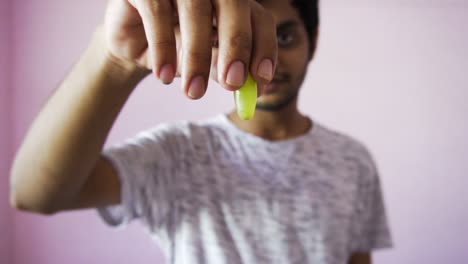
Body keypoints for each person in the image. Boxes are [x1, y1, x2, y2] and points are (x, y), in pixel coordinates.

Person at [9, 0, 392, 263]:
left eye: (285, 38)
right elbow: (33, 193)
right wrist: (111, 60)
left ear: (314, 40)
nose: (267, 62)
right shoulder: (177, 154)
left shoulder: (354, 161)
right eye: (243, 41)